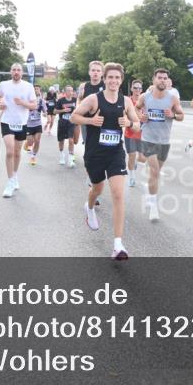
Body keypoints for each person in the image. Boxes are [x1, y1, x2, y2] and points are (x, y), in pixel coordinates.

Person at [70, 62, 141, 260]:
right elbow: (74, 117)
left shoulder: (126, 101)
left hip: (116, 153)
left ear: (121, 80)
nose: (113, 81)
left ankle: (118, 245)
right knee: (97, 189)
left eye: (117, 78)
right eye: (110, 77)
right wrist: (90, 121)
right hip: (95, 154)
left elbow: (137, 124)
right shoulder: (94, 99)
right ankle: (89, 206)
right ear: (105, 79)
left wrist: (129, 123)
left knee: (118, 194)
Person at [136, 68, 184, 221]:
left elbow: (181, 115)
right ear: (154, 80)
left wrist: (173, 115)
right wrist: (140, 116)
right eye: (160, 78)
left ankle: (149, 192)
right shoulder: (145, 96)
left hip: (164, 141)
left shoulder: (172, 99)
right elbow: (136, 108)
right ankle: (154, 206)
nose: (162, 80)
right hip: (148, 138)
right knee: (155, 172)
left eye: (165, 78)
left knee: (154, 174)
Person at [0, 63, 37, 198]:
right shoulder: (4, 84)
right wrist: (0, 103)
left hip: (21, 123)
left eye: (18, 70)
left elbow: (34, 105)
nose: (16, 72)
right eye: (14, 69)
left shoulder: (28, 86)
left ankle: (14, 175)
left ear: (22, 73)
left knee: (17, 152)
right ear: (10, 72)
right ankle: (9, 183)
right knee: (9, 151)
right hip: (7, 121)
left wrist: (22, 103)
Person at [123, 80, 145, 187]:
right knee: (131, 155)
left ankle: (136, 162)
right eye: (135, 88)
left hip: (143, 134)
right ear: (131, 89)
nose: (137, 90)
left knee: (142, 158)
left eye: (140, 88)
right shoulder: (127, 101)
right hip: (130, 133)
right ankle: (131, 177)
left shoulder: (145, 101)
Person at [54, 85, 78, 168]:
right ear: (65, 92)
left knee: (71, 140)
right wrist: (63, 110)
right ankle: (62, 155)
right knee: (61, 140)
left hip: (71, 123)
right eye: (68, 90)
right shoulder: (61, 101)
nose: (70, 92)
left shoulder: (75, 100)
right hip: (62, 123)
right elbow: (55, 111)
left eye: (72, 90)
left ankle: (71, 159)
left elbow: (79, 109)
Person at [24, 85, 45, 164]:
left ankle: (33, 157)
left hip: (38, 123)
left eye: (37, 89)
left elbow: (45, 110)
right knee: (30, 142)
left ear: (40, 91)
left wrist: (46, 114)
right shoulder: (28, 100)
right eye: (35, 89)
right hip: (28, 124)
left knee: (37, 140)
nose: (36, 90)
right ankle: (27, 143)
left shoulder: (41, 101)